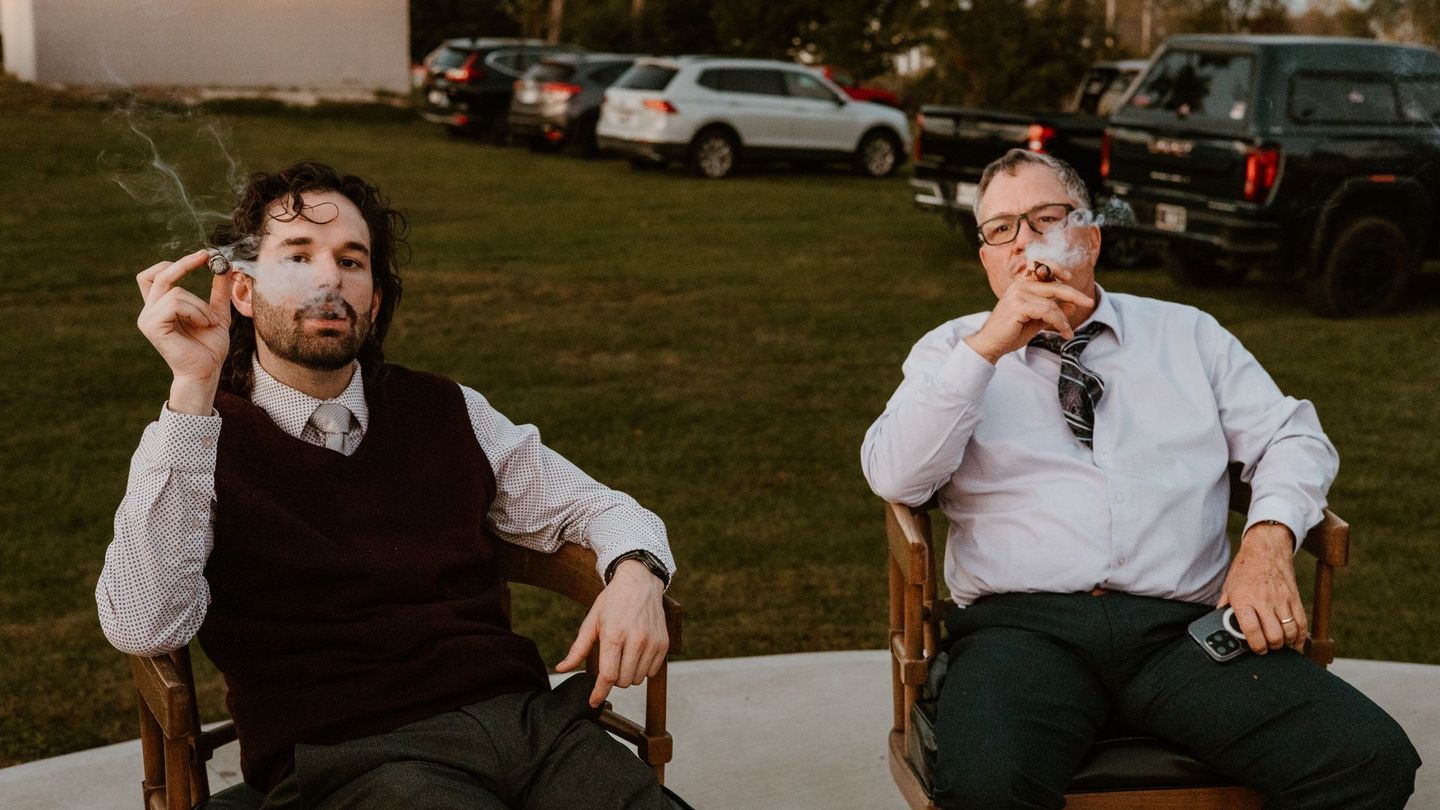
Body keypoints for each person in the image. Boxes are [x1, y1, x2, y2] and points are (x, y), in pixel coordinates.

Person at [98, 160, 679, 809]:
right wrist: (192, 391)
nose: (328, 278)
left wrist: (636, 571)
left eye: (352, 260)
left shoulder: (444, 410)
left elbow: (599, 507)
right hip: (355, 757)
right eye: (297, 256)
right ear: (241, 291)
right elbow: (146, 626)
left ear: (373, 299)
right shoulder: (197, 440)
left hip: (530, 729)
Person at [861, 149, 1419, 809]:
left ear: (1090, 237)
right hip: (1024, 632)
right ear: (985, 256)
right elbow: (894, 473)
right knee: (987, 786)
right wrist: (986, 350)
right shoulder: (950, 351)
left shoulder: (1187, 336)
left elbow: (1293, 435)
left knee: (1368, 760)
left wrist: (1269, 538)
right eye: (1000, 229)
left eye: (1046, 218)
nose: (1024, 243)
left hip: (1182, 633)